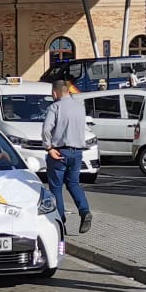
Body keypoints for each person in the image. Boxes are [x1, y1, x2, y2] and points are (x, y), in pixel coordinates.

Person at [42, 79, 94, 234]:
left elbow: (46, 130)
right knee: (74, 184)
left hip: (59, 152)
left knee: (56, 187)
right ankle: (85, 211)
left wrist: (48, 147)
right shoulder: (80, 107)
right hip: (77, 152)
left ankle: (60, 221)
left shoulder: (55, 107)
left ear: (54, 93)